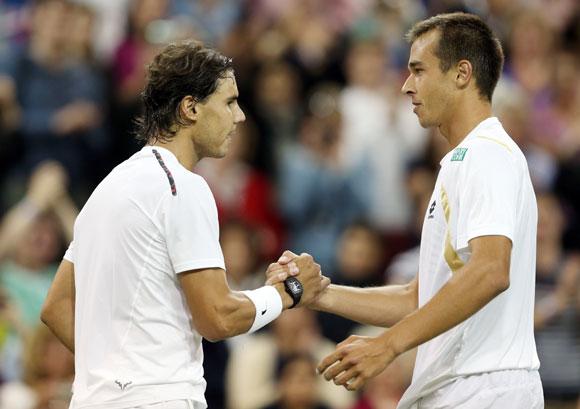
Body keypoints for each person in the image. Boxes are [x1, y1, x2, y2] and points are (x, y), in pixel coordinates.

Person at [273, 12, 543, 409]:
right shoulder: (463, 160)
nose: (405, 85)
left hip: (485, 388)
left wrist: (387, 346)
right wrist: (321, 294)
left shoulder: (487, 155)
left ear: (462, 74)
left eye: (418, 70)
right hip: (459, 386)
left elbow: (490, 270)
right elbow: (418, 297)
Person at [40, 41, 327, 409]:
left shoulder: (108, 187)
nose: (239, 116)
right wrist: (288, 292)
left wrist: (115, 377)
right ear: (190, 108)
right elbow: (218, 318)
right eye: (229, 102)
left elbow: (57, 307)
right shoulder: (181, 187)